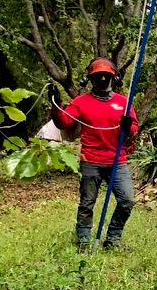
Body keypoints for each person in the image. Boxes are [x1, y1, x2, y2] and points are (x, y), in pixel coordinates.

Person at [50, 57, 139, 249]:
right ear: (90, 78)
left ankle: (113, 240)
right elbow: (64, 123)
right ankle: (83, 242)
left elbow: (134, 130)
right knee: (87, 204)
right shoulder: (80, 102)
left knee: (127, 200)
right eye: (98, 76)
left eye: (106, 76)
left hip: (118, 161)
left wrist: (128, 126)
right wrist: (55, 106)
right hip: (91, 160)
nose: (102, 80)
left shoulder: (124, 102)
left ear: (113, 78)